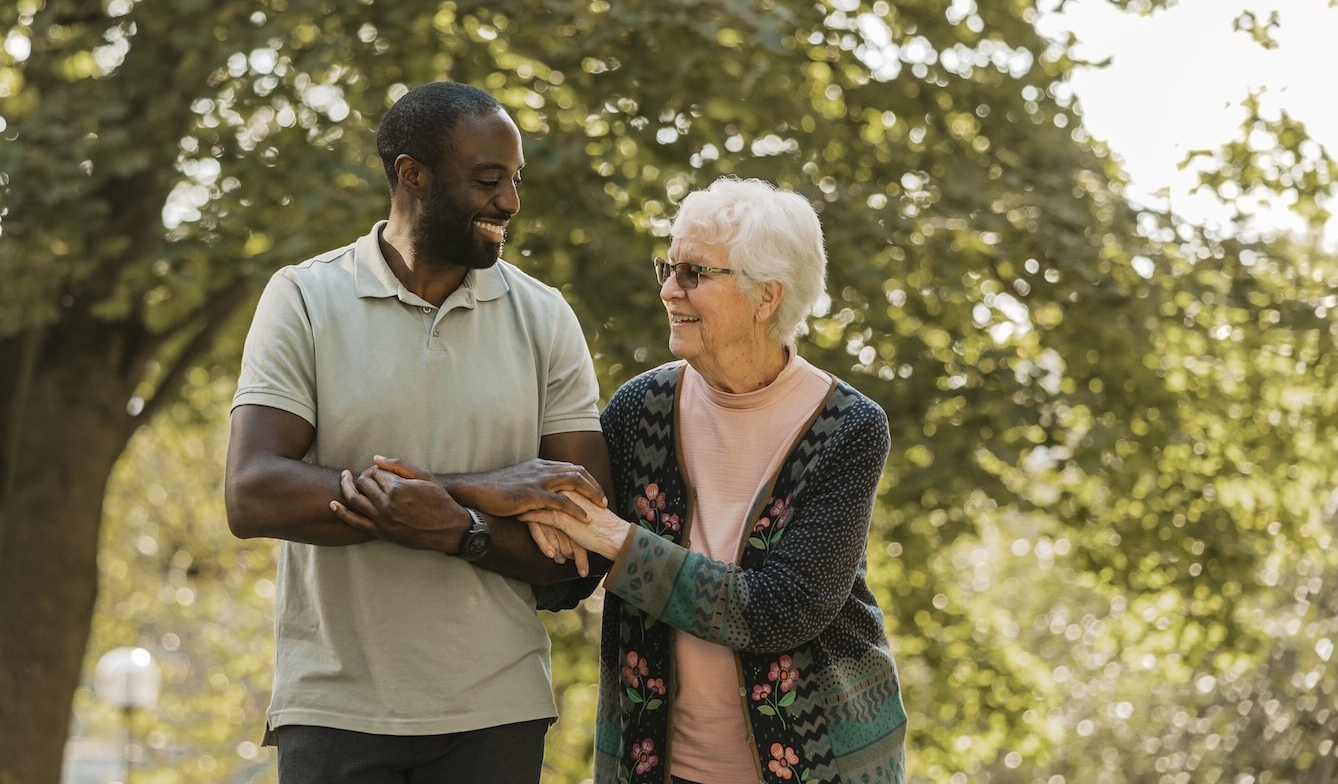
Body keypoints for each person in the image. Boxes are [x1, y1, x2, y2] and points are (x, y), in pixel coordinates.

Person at [223, 80, 612, 784]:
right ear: (413, 174)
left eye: (515, 181)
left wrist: (459, 527)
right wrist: (479, 491)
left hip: (495, 709)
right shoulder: (305, 298)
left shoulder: (546, 318)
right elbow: (253, 493)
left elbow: (585, 547)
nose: (511, 203)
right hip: (333, 708)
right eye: (489, 180)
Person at [530, 177, 907, 784]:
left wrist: (615, 539)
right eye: (668, 266)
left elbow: (784, 609)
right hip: (656, 764)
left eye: (694, 274)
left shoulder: (849, 427)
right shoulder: (640, 408)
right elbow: (571, 568)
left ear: (766, 296)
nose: (668, 290)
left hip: (824, 765)